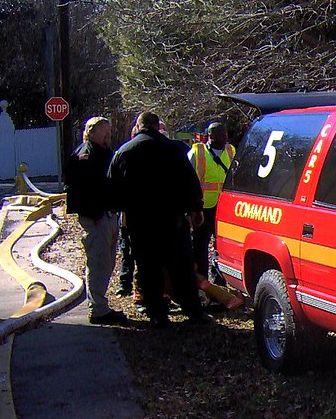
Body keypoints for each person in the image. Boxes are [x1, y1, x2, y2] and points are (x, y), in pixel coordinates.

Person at [108, 111, 210, 326]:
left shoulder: (124, 152)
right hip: (173, 220)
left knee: (149, 268)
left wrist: (122, 212)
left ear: (138, 127)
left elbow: (113, 189)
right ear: (157, 126)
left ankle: (157, 314)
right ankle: (193, 311)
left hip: (141, 222)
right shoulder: (175, 149)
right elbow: (190, 182)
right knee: (182, 268)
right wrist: (195, 209)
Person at [65, 116, 127, 325]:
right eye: (103, 130)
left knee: (107, 262)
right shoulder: (85, 156)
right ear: (91, 132)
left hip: (108, 215)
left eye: (109, 130)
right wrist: (95, 215)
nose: (108, 134)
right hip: (97, 218)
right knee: (98, 262)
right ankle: (98, 309)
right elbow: (79, 190)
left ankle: (100, 304)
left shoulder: (105, 152)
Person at [188, 121, 235, 284]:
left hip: (224, 207)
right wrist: (192, 207)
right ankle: (201, 281)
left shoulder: (231, 151)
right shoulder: (198, 152)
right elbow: (188, 180)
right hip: (203, 207)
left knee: (221, 245)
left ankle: (219, 282)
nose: (225, 137)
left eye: (225, 133)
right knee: (200, 245)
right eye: (221, 134)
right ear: (211, 136)